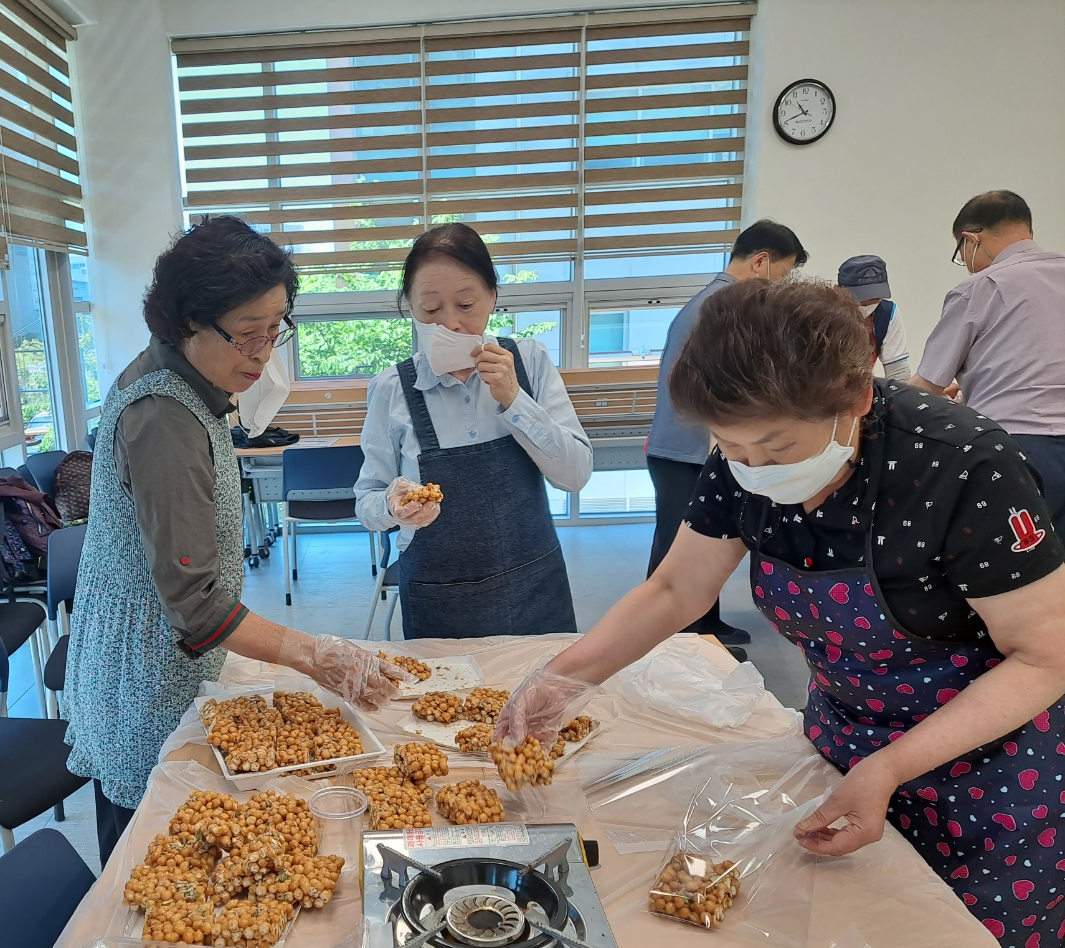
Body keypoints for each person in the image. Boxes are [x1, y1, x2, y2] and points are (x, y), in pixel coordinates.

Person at [496, 280, 1065, 948]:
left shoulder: (961, 465)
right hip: (844, 742)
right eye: (730, 448)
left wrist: (891, 767)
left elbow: (1045, 655)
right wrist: (564, 677)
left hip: (990, 772)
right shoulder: (743, 457)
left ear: (855, 400)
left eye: (777, 446)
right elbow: (677, 588)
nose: (754, 469)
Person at [62, 216, 407, 867]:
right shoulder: (164, 416)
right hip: (145, 680)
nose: (263, 353)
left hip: (157, 661)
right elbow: (197, 606)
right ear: (187, 321)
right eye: (247, 334)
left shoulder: (193, 382)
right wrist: (313, 654)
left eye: (276, 330)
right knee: (156, 870)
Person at [354, 223, 593, 638]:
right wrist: (392, 507)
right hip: (438, 598)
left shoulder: (530, 363)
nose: (451, 324)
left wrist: (515, 399)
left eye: (466, 304)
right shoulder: (392, 389)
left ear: (493, 298)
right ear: (411, 309)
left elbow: (575, 476)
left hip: (535, 586)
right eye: (431, 310)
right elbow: (365, 503)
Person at [645, 220, 808, 649]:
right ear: (760, 262)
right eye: (782, 274)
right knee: (680, 547)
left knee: (709, 534)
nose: (780, 285)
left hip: (690, 447)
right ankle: (676, 641)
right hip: (687, 450)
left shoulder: (712, 301)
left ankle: (704, 624)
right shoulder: (725, 306)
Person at [913, 190, 1065, 529]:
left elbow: (925, 388)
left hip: (1017, 448)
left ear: (971, 240)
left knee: (1012, 556)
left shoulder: (979, 288)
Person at [837, 255, 911, 380]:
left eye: (874, 298)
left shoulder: (887, 314)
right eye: (861, 299)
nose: (867, 304)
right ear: (839, 291)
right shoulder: (822, 315)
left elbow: (898, 372)